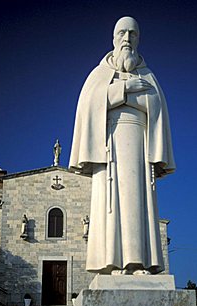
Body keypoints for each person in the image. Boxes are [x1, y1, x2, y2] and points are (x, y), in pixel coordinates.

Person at [69, 16, 175, 275]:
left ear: (138, 39)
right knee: (110, 205)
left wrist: (123, 97)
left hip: (139, 147)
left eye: (132, 34)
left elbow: (157, 107)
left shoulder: (148, 75)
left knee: (137, 203)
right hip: (108, 148)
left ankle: (137, 263)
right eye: (122, 33)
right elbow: (88, 106)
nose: (127, 38)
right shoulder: (98, 75)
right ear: (114, 38)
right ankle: (112, 264)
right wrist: (126, 90)